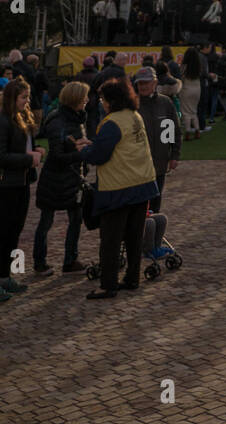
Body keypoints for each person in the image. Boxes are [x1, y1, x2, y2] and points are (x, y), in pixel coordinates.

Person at [82, 77, 159, 300]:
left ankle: (108, 285)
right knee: (134, 237)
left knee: (111, 240)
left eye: (103, 99)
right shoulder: (135, 116)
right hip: (143, 183)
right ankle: (132, 278)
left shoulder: (111, 122)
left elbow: (99, 155)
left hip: (119, 187)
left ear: (111, 101)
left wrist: (83, 151)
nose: (101, 103)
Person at [33, 81, 91, 277]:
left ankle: (70, 260)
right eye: (84, 98)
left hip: (74, 178)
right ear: (75, 99)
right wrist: (80, 152)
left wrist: (83, 150)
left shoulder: (78, 118)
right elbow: (57, 155)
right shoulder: (57, 121)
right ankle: (39, 262)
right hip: (55, 179)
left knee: (76, 219)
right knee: (46, 221)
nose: (87, 101)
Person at [0, 78, 43, 302]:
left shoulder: (22, 118)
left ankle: (6, 277)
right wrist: (29, 158)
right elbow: (2, 156)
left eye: (28, 97)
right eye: (23, 98)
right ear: (12, 98)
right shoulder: (3, 121)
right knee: (3, 232)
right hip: (6, 184)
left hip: (22, 183)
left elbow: (23, 146)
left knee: (14, 232)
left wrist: (33, 149)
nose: (27, 102)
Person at [133, 65, 181, 211]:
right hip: (138, 165)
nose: (143, 86)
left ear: (154, 83)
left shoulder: (165, 103)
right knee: (139, 203)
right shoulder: (132, 105)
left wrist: (174, 155)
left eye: (146, 82)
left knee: (156, 199)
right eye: (140, 83)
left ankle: (154, 232)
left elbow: (174, 131)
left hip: (160, 162)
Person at [178, 47, 202, 142]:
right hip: (197, 89)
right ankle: (197, 130)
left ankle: (187, 132)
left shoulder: (184, 66)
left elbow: (181, 78)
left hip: (186, 89)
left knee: (185, 112)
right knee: (193, 111)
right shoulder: (198, 66)